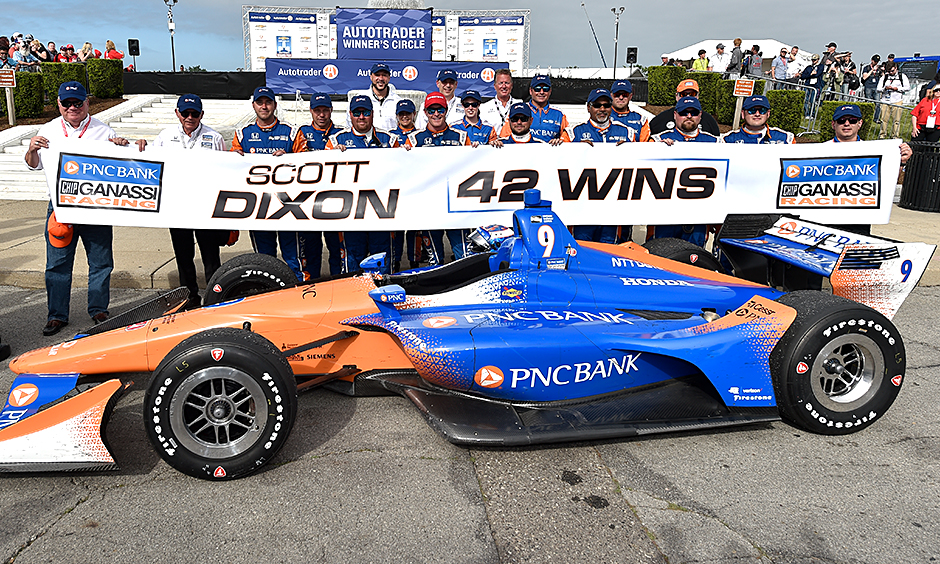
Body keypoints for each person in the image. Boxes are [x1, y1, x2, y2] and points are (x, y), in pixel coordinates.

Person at [24, 81, 131, 336]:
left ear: (87, 103)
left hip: (95, 207)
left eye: (77, 102)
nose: (72, 107)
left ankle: (99, 309)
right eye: (67, 103)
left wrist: (123, 147)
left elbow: (120, 166)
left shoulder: (103, 130)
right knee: (57, 263)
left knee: (101, 261)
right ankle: (57, 315)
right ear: (59, 104)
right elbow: (33, 165)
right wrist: (31, 149)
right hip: (61, 209)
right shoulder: (48, 129)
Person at [135, 94, 228, 309]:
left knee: (211, 256)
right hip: (177, 206)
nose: (190, 117)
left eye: (194, 113)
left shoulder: (213, 137)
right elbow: (149, 160)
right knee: (184, 256)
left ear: (201, 115)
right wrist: (138, 146)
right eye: (185, 113)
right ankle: (190, 298)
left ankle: (216, 297)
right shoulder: (165, 136)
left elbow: (227, 169)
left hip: (205, 206)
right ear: (177, 113)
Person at [231, 87, 303, 281]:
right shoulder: (242, 134)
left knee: (293, 258)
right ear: (253, 105)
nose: (264, 106)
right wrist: (234, 159)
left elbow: (308, 164)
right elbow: (230, 168)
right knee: (263, 259)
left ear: (275, 105)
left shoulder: (292, 132)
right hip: (258, 206)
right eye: (260, 102)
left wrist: (290, 158)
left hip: (288, 204)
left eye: (268, 102)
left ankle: (298, 296)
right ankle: (268, 293)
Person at [325, 95, 399, 273]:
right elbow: (324, 173)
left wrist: (405, 153)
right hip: (351, 213)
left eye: (365, 112)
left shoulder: (389, 140)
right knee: (353, 259)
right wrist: (332, 156)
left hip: (381, 212)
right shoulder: (336, 141)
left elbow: (403, 170)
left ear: (372, 114)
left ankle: (383, 295)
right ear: (350, 114)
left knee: (383, 258)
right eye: (357, 113)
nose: (361, 117)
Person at [825, 104, 911, 237]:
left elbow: (886, 183)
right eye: (841, 121)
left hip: (858, 220)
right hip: (823, 217)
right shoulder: (819, 150)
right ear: (833, 124)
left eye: (852, 120)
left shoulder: (875, 152)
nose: (847, 124)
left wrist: (900, 161)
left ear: (859, 124)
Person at [406, 92, 472, 264]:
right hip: (429, 207)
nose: (436, 113)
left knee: (464, 257)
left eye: (440, 109)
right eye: (432, 110)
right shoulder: (414, 139)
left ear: (446, 110)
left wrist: (478, 150)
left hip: (457, 206)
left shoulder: (461, 137)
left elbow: (474, 165)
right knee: (434, 260)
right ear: (426, 112)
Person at [570, 88, 637, 244]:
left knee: (611, 252)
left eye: (606, 105)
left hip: (613, 208)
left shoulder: (628, 132)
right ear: (589, 107)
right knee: (581, 251)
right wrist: (572, 148)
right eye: (597, 105)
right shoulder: (573, 133)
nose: (602, 109)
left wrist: (633, 148)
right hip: (582, 208)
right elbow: (557, 161)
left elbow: (646, 159)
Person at [650, 97, 716, 247]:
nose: (688, 116)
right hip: (664, 216)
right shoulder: (657, 140)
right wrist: (655, 150)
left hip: (698, 217)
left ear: (700, 115)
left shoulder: (715, 142)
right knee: (660, 259)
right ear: (675, 115)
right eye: (683, 112)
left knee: (694, 261)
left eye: (693, 112)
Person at [292, 92, 344, 278]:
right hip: (309, 202)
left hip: (335, 201)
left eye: (325, 110)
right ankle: (311, 287)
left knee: (337, 250)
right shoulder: (301, 133)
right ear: (311, 111)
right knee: (311, 251)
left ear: (331, 111)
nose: (321, 115)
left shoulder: (341, 133)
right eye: (317, 110)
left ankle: (338, 285)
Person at [500, 75, 570, 145]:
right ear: (530, 91)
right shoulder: (520, 110)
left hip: (549, 154)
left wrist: (560, 142)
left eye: (545, 89)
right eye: (537, 89)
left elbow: (567, 140)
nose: (541, 92)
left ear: (550, 91)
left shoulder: (558, 114)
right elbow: (505, 138)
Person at [649, 79, 720, 136]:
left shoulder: (709, 121)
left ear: (698, 96)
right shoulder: (661, 119)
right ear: (676, 96)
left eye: (692, 94)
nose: (688, 97)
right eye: (684, 94)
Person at [346, 62, 400, 132]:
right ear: (371, 77)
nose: (381, 78)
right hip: (365, 141)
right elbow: (350, 126)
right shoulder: (357, 100)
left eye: (384, 75)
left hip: (391, 141)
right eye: (377, 75)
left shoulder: (397, 101)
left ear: (389, 78)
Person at [721, 95, 794, 144]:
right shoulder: (727, 140)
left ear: (768, 114)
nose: (757, 114)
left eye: (762, 110)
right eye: (752, 110)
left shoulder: (786, 138)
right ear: (743, 114)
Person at [877, 62, 910, 139]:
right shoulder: (884, 77)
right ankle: (882, 135)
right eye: (889, 71)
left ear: (896, 68)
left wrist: (897, 89)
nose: (891, 73)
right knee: (883, 120)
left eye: (892, 71)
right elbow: (878, 89)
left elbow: (907, 87)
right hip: (885, 100)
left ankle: (895, 136)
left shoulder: (902, 76)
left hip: (897, 100)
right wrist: (885, 88)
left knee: (896, 120)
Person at [861, 54, 883, 122]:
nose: (876, 63)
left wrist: (882, 71)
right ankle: (868, 117)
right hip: (868, 87)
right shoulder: (866, 68)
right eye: (875, 61)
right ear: (872, 60)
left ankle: (876, 118)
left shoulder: (879, 69)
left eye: (877, 61)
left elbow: (883, 77)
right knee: (868, 102)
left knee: (877, 104)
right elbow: (864, 77)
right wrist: (872, 70)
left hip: (876, 87)